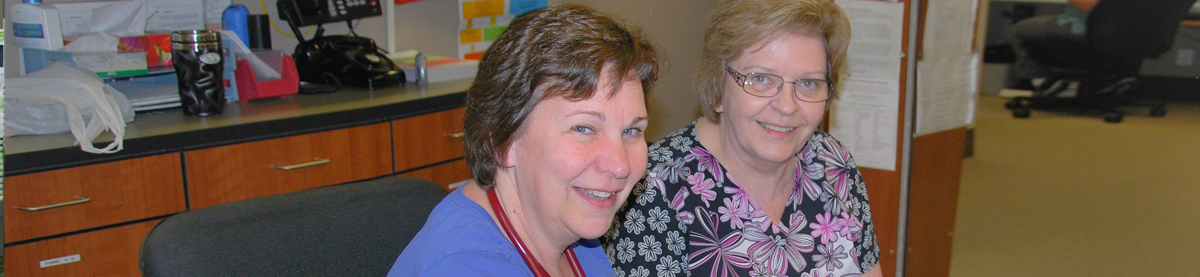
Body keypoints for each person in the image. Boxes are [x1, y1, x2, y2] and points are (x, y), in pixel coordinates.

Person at [604, 0, 882, 276]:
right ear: (717, 89)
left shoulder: (833, 162)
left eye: (808, 83)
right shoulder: (652, 192)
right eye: (761, 79)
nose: (787, 106)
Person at [387, 4, 661, 277]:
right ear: (503, 142)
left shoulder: (572, 233)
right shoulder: (461, 267)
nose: (620, 165)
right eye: (583, 128)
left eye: (631, 131)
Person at [1005, 0, 1098, 90]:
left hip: (1083, 27)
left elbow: (1088, 5)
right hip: (1104, 35)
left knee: (1018, 30)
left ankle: (1037, 80)